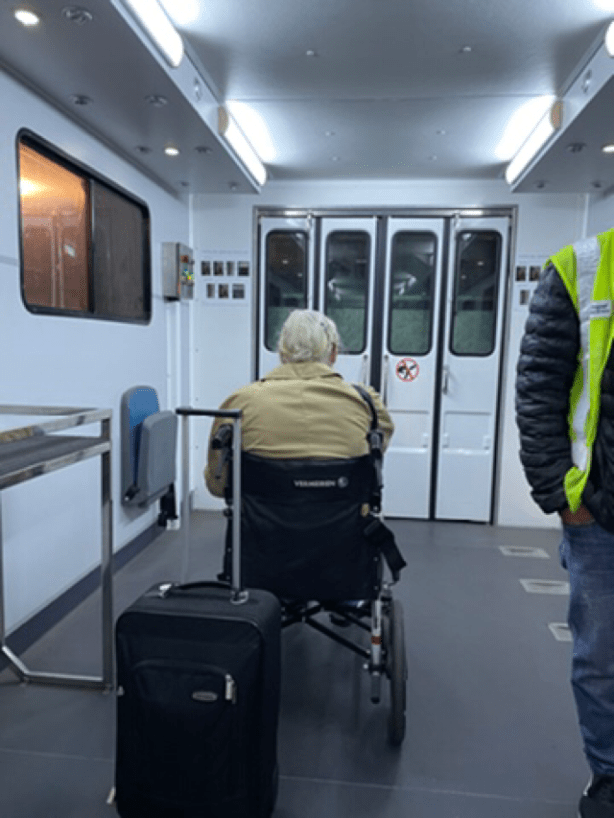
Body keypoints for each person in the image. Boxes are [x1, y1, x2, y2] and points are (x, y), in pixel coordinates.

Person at [516, 227, 614, 818]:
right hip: (600, 513)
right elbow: (538, 392)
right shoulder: (582, 267)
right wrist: (562, 496)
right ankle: (609, 773)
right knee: (601, 657)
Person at [205, 309, 394, 498]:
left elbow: (218, 486)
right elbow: (371, 462)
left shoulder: (239, 403)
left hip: (261, 526)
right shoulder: (367, 403)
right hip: (346, 525)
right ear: (334, 353)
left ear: (281, 352)